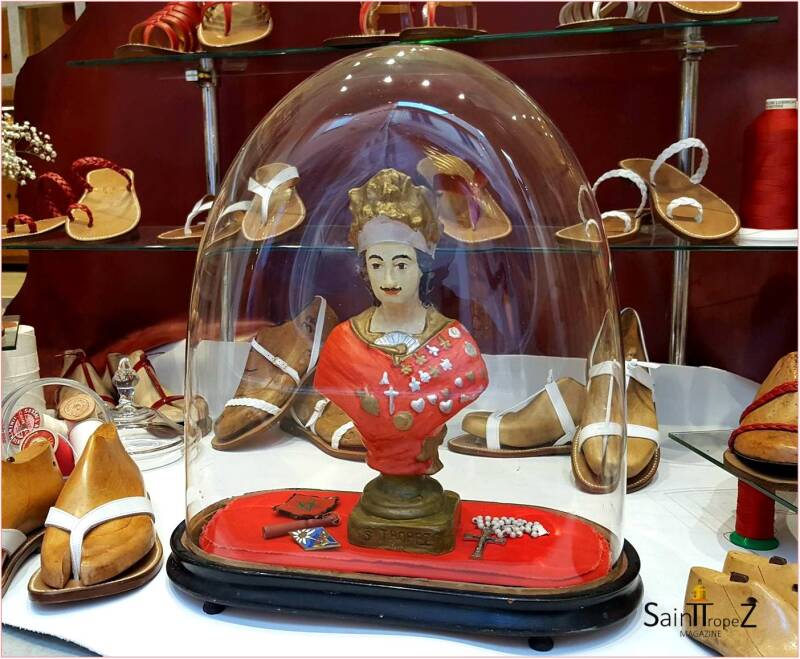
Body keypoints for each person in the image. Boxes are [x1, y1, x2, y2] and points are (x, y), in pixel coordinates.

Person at [314, 168, 488, 476]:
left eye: (402, 264)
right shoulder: (343, 343)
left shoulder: (457, 346)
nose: (389, 279)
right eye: (376, 264)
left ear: (423, 267)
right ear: (365, 269)